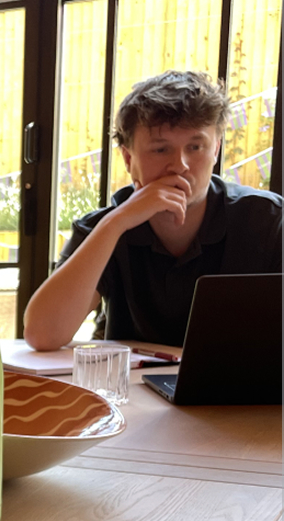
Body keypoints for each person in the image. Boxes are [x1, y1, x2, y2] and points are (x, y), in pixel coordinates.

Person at [23, 71, 282, 350]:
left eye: (195, 147)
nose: (180, 164)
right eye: (161, 150)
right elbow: (42, 335)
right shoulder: (104, 226)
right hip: (128, 392)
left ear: (216, 149)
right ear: (128, 157)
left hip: (237, 392)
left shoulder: (267, 221)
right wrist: (116, 224)